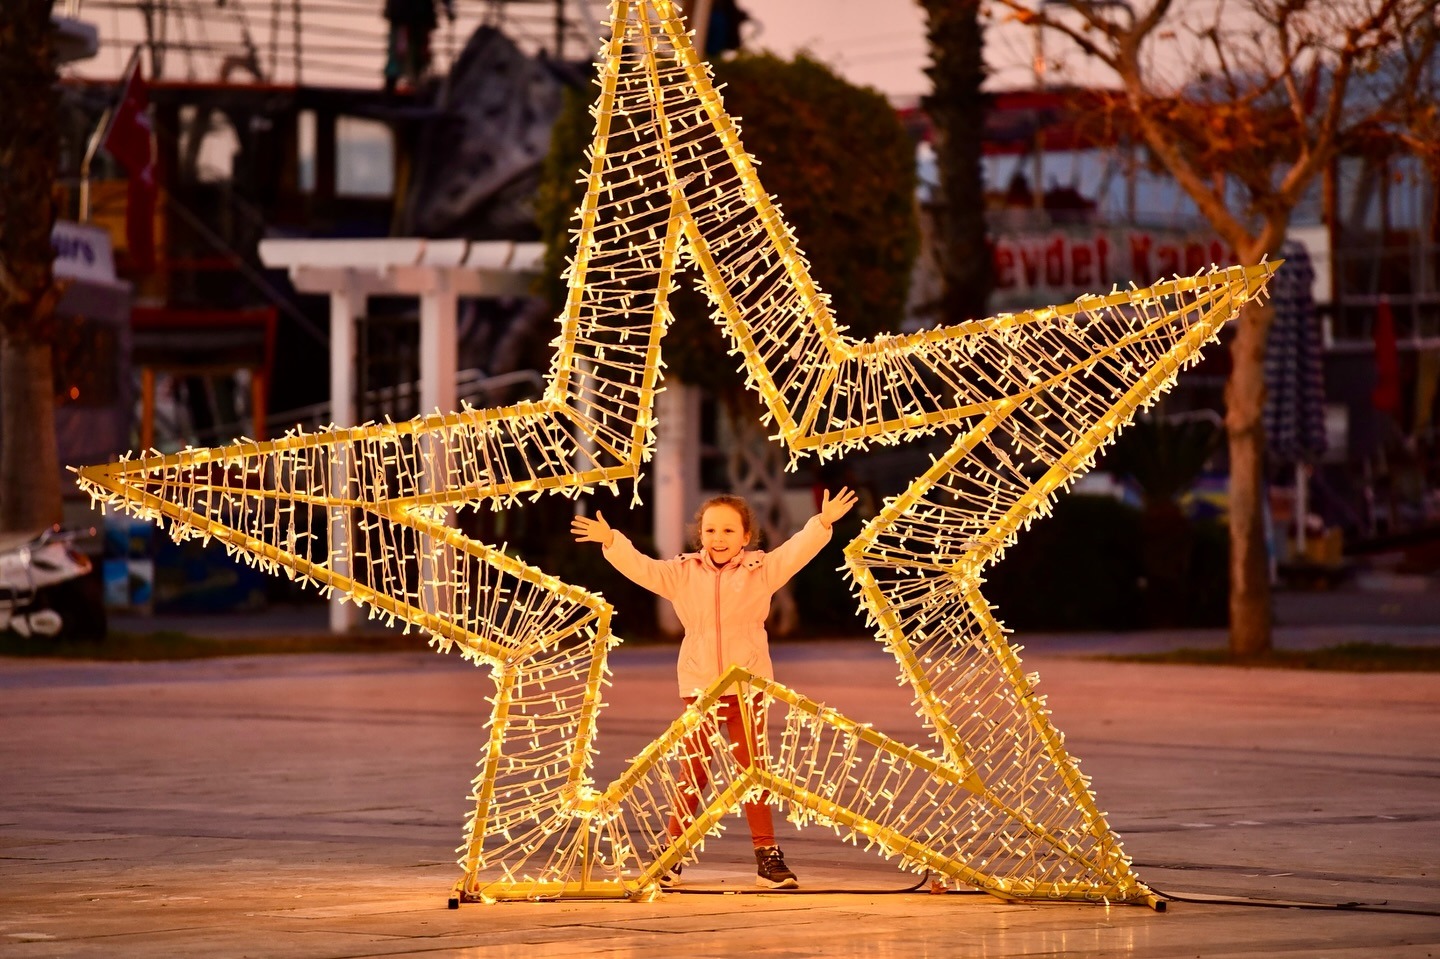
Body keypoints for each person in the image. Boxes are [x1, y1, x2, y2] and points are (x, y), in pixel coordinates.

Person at [571, 487, 858, 890]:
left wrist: (822, 522)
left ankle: (767, 857)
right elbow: (641, 568)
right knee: (694, 771)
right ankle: (672, 856)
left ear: (745, 536)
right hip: (700, 684)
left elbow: (796, 551)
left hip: (747, 685)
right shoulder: (681, 573)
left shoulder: (762, 571)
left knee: (753, 771)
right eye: (710, 530)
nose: (718, 538)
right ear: (699, 535)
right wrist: (612, 541)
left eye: (727, 530)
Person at [383, 0, 454, 94]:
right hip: (414, 14)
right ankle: (405, 85)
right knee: (404, 52)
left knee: (405, 53)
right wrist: (449, 8)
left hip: (410, 15)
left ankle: (400, 87)